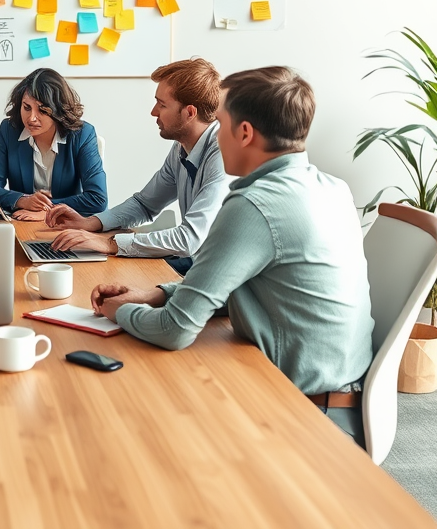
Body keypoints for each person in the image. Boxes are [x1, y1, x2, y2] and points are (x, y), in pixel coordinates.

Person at [89, 67, 373, 445]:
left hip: (306, 420)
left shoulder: (253, 204)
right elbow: (240, 285)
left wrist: (116, 311)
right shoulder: (333, 188)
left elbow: (175, 330)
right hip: (345, 401)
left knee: (137, 414)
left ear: (244, 133)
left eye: (219, 124)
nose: (214, 137)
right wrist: (153, 294)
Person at [46, 58, 230, 274]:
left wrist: (110, 244)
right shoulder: (182, 147)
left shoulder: (225, 153)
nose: (154, 111)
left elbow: (190, 239)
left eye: (162, 104)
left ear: (190, 113)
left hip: (220, 275)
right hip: (198, 261)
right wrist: (91, 223)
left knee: (113, 279)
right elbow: (145, 204)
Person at [0, 68, 107, 219]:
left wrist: (47, 210)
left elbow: (98, 199)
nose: (31, 118)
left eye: (43, 111)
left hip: (68, 227)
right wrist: (22, 200)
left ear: (58, 110)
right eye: (27, 108)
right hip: (23, 224)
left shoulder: (82, 134)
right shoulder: (9, 130)